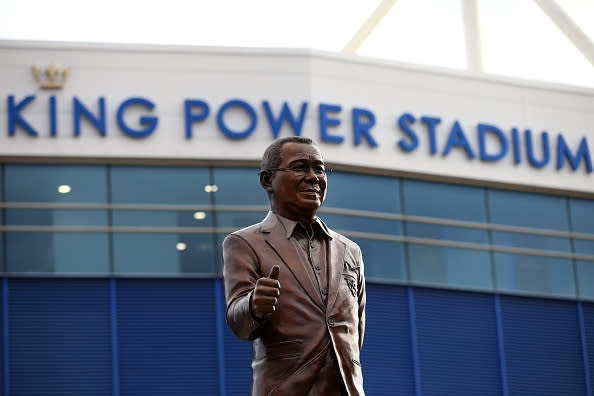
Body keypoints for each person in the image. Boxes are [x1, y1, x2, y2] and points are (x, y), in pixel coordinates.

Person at [222, 136, 366, 395]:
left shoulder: (350, 250)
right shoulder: (244, 243)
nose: (313, 177)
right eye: (300, 167)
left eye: (319, 169)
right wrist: (254, 305)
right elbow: (238, 323)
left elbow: (357, 330)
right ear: (268, 180)